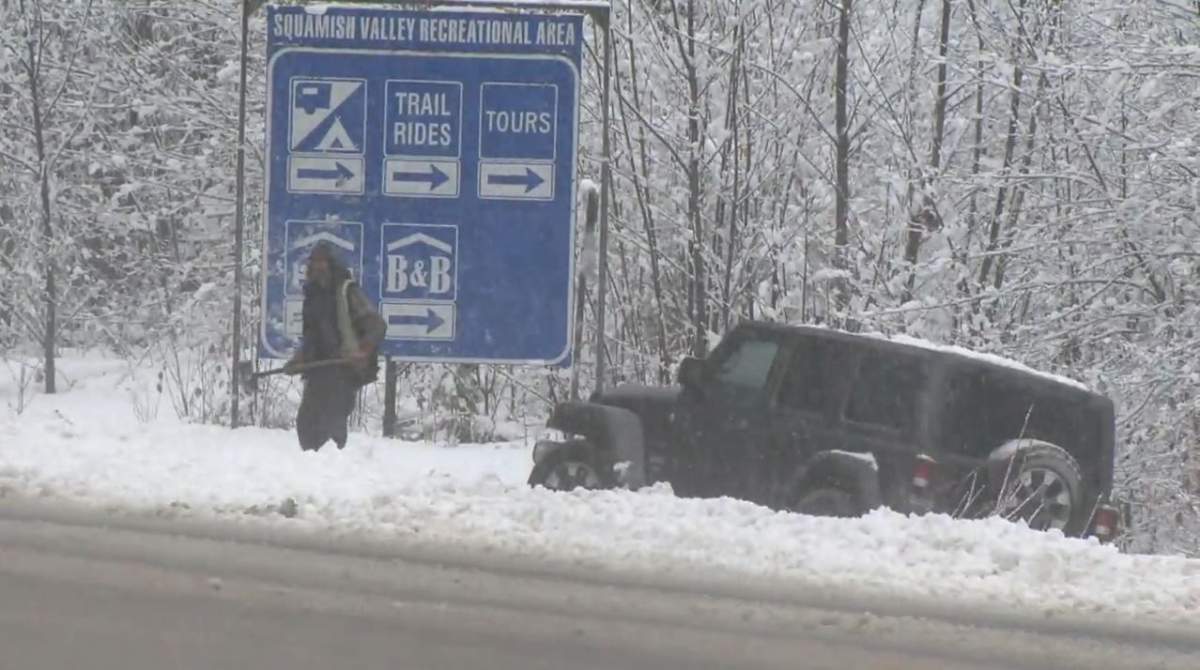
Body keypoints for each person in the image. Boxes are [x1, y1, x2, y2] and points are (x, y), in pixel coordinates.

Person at [285, 241, 386, 451]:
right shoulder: (312, 297)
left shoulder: (346, 291)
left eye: (322, 263)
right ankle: (315, 472)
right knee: (307, 425)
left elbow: (376, 326)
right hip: (318, 371)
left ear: (332, 266)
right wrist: (299, 360)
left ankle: (335, 473)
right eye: (314, 263)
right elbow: (312, 336)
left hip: (343, 371)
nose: (318, 268)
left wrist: (363, 350)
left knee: (332, 426)